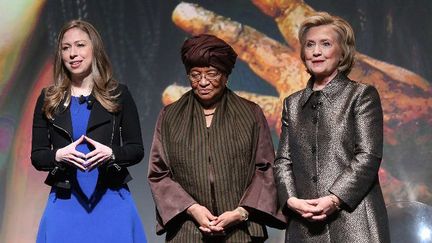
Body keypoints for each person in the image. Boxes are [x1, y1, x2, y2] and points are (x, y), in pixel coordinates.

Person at [148, 34, 284, 242]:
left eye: (212, 73)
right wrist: (192, 209)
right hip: (187, 231)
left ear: (226, 75)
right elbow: (159, 173)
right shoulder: (170, 116)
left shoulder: (250, 113)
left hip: (241, 231)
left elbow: (265, 168)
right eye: (195, 75)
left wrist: (241, 212)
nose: (203, 82)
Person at [274, 12, 390, 243]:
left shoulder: (361, 95)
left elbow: (368, 156)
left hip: (355, 220)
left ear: (342, 52)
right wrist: (290, 200)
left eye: (325, 44)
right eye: (310, 45)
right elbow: (283, 161)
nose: (316, 51)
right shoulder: (292, 104)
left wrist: (335, 198)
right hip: (304, 223)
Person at [31, 20, 147, 243]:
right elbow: (38, 156)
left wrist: (111, 153)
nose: (73, 53)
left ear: (94, 48)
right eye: (66, 48)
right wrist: (58, 155)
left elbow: (136, 149)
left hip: (111, 198)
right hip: (66, 200)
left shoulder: (118, 94)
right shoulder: (49, 99)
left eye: (80, 45)